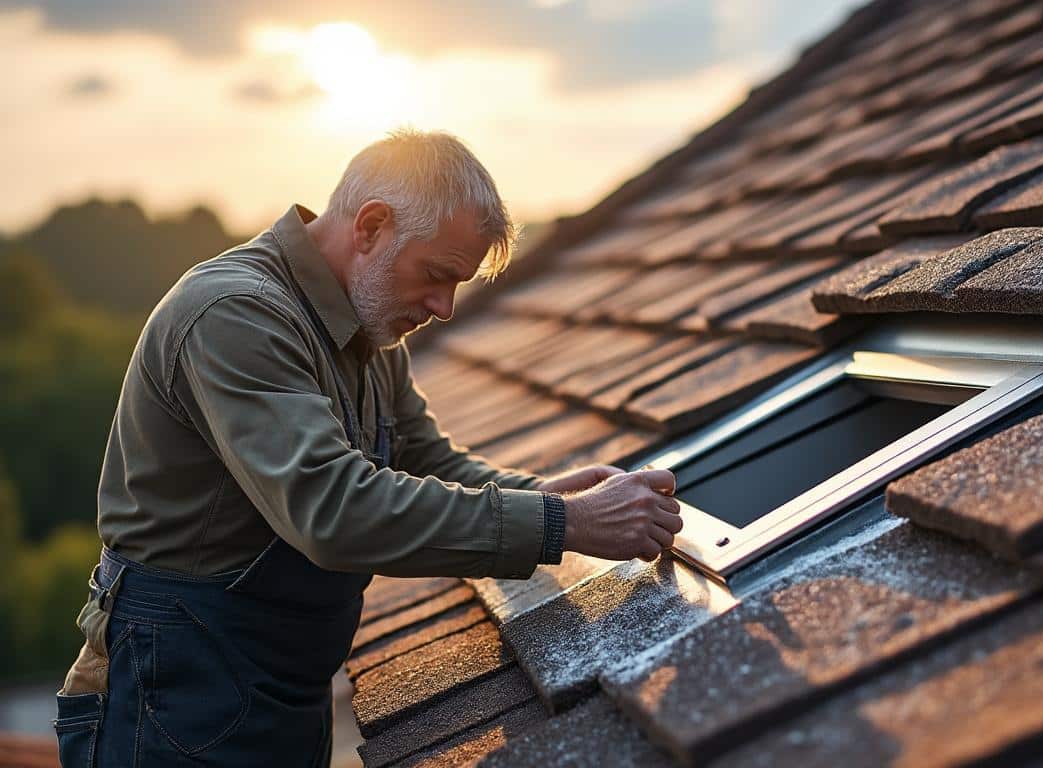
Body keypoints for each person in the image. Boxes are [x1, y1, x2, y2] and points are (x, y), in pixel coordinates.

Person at [52, 128, 682, 766]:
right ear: (372, 225)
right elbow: (335, 511)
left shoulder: (368, 338)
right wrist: (564, 524)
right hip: (176, 690)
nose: (444, 308)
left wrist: (543, 494)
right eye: (436, 276)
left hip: (268, 686)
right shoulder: (235, 314)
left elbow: (432, 462)